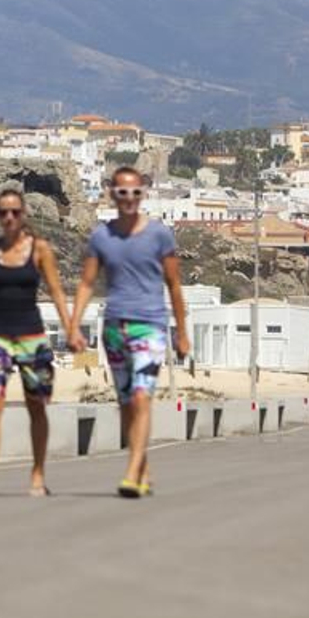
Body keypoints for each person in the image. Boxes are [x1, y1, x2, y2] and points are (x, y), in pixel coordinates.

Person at [71, 168, 189, 499]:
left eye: (134, 193)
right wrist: (73, 325)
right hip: (114, 326)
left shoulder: (160, 235)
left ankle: (131, 472)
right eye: (122, 193)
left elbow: (174, 285)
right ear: (112, 194)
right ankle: (142, 465)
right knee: (125, 403)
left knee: (141, 396)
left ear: (143, 194)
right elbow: (86, 283)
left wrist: (183, 331)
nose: (128, 199)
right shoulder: (101, 237)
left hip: (149, 324)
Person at [0, 187, 80, 498]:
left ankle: (37, 473)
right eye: (3, 212)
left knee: (36, 406)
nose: (9, 218)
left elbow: (57, 291)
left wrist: (71, 328)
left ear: (24, 215)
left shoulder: (39, 249)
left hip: (31, 335)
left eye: (15, 212)